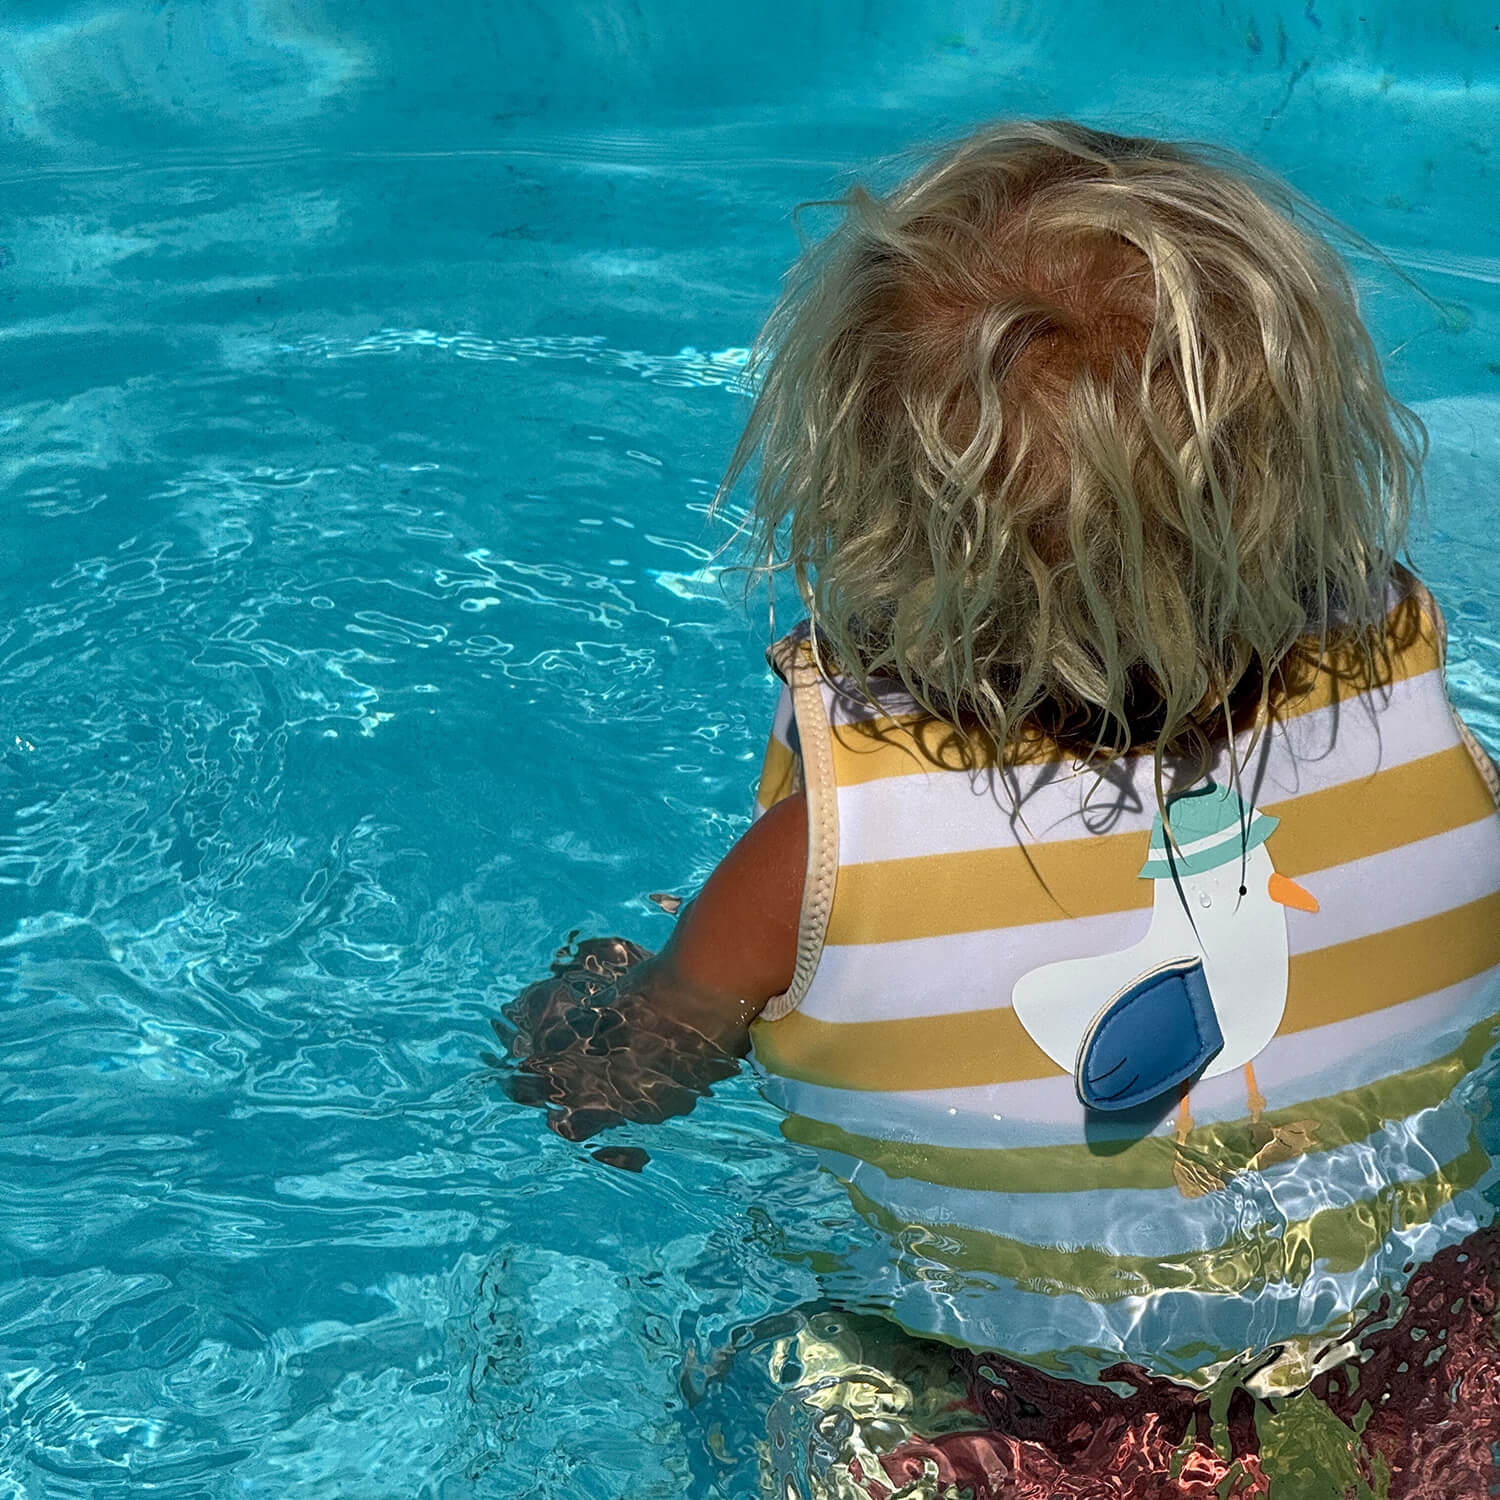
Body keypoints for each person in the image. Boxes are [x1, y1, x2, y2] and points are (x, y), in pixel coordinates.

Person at [501, 121, 1500, 1399]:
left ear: (865, 518)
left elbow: (625, 1087)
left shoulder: (810, 869)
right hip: (1421, 1360)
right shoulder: (1426, 730)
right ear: (1309, 470)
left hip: (1014, 1405)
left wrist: (576, 1021)